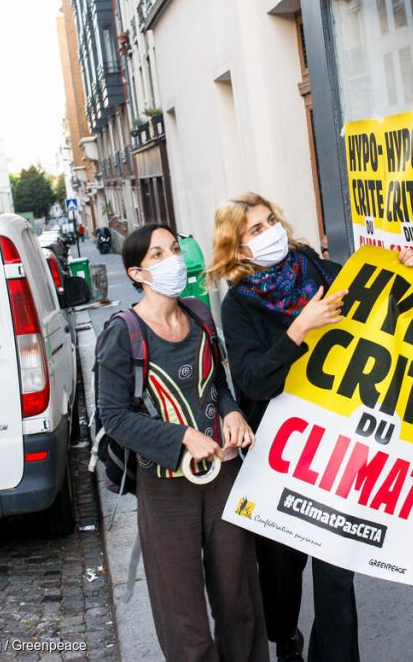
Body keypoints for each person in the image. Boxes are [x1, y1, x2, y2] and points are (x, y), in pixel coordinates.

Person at [206, 193, 413, 662]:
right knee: (281, 574)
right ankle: (285, 637)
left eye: (270, 221)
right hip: (279, 456)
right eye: (256, 230)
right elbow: (253, 381)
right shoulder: (239, 306)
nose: (271, 232)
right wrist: (299, 328)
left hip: (336, 450)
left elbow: (375, 296)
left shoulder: (316, 270)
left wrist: (402, 269)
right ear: (239, 250)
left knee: (336, 576)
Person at [96, 222, 268, 662]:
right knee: (184, 619)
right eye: (157, 255)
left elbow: (220, 385)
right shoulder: (123, 332)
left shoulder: (199, 315)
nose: (172, 259)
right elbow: (114, 417)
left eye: (173, 249)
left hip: (224, 477)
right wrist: (182, 437)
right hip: (166, 488)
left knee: (240, 603)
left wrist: (231, 411)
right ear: (137, 273)